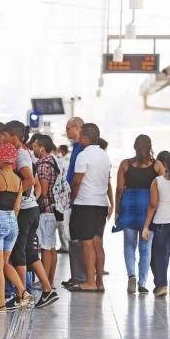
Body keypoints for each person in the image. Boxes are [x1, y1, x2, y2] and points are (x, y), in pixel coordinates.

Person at [2, 121, 55, 302]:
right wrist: (33, 200)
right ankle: (48, 290)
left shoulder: (21, 155)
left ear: (14, 137)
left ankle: (21, 294)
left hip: (24, 212)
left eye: (5, 137)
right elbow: (37, 185)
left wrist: (15, 198)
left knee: (19, 254)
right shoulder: (27, 153)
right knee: (30, 253)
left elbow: (30, 180)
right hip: (31, 209)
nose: (3, 141)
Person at [0, 143, 35, 312]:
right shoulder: (19, 181)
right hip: (13, 221)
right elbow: (17, 208)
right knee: (4, 262)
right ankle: (23, 292)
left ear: (1, 159)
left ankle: (1, 304)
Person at [114, 135, 165, 294]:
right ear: (150, 146)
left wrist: (117, 210)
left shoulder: (125, 164)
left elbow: (119, 189)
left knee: (129, 245)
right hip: (148, 207)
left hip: (128, 205)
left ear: (134, 146)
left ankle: (132, 275)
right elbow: (162, 189)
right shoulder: (157, 166)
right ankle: (143, 283)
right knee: (146, 247)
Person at [68, 123, 113, 292]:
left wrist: (72, 198)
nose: (78, 139)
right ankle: (100, 281)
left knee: (87, 244)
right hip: (100, 204)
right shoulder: (104, 155)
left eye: (80, 136)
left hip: (85, 203)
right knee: (97, 243)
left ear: (86, 138)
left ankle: (89, 281)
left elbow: (77, 181)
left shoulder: (83, 155)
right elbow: (107, 180)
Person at [32, 135, 62, 305]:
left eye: (35, 146)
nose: (34, 149)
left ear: (41, 147)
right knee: (51, 247)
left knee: (45, 247)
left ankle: (47, 284)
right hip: (53, 210)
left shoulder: (43, 165)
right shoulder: (54, 162)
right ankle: (48, 281)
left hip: (45, 211)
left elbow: (42, 191)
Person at [62, 117, 87, 288]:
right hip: (74, 197)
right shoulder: (76, 148)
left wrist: (72, 196)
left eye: (68, 128)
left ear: (77, 127)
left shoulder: (83, 149)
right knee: (73, 237)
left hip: (79, 198)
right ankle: (76, 275)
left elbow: (78, 177)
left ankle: (80, 276)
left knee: (78, 238)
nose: (67, 132)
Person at [143, 154, 170, 297]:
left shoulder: (157, 181)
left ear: (165, 165)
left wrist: (146, 226)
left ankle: (162, 285)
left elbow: (153, 205)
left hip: (161, 223)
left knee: (160, 256)